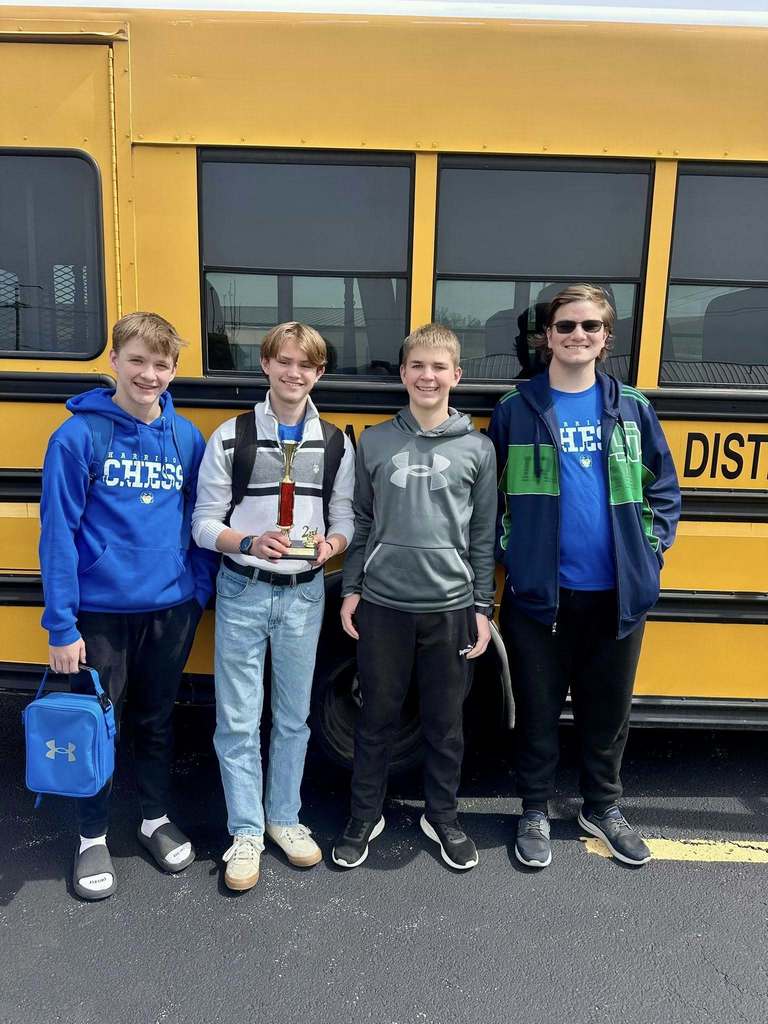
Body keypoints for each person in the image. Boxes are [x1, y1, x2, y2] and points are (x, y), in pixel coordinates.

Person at [487, 283, 680, 868]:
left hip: (617, 595)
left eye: (590, 327)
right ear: (546, 336)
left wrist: (648, 552)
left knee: (607, 711)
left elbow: (663, 489)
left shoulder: (632, 408)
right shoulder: (516, 410)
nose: (578, 336)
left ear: (606, 338)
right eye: (566, 326)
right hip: (540, 596)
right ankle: (535, 809)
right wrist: (512, 554)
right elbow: (489, 498)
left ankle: (602, 805)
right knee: (537, 710)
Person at [39, 311, 217, 901]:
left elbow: (199, 517)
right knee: (98, 726)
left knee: (155, 720)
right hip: (99, 614)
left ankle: (152, 820)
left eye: (161, 364)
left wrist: (197, 588)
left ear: (174, 370)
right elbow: (58, 534)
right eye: (136, 360)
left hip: (169, 610)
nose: (148, 374)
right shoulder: (77, 436)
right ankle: (91, 836)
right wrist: (61, 624)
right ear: (112, 360)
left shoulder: (184, 436)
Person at [192, 322, 355, 891]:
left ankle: (285, 817)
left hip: (304, 593)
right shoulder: (230, 437)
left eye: (305, 366)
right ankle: (246, 832)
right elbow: (203, 523)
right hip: (241, 588)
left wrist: (332, 548)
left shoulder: (335, 442)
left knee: (294, 718)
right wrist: (249, 542)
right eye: (284, 362)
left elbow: (345, 518)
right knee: (237, 719)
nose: (294, 373)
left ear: (318, 374)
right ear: (266, 365)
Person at [333, 323, 496, 872]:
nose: (428, 376)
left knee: (445, 721)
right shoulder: (375, 441)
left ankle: (443, 815)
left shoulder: (478, 449)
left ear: (456, 375)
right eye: (417, 366)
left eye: (438, 367)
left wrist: (481, 607)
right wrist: (352, 589)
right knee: (376, 716)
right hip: (383, 604)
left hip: (449, 607)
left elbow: (482, 535)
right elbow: (360, 519)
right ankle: (364, 814)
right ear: (402, 374)